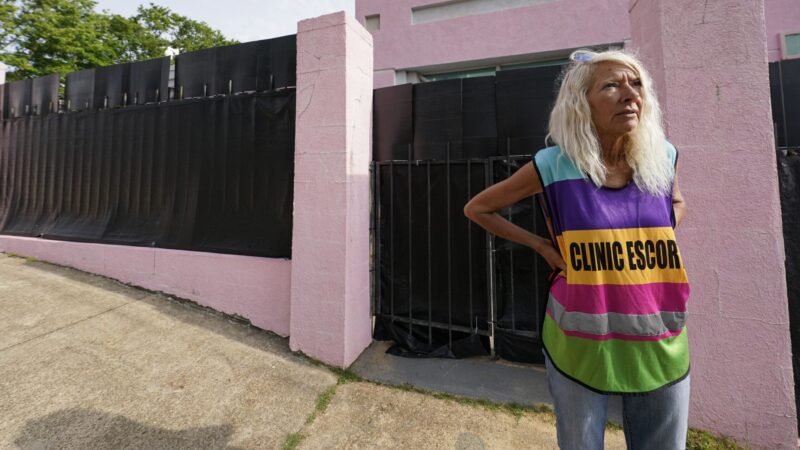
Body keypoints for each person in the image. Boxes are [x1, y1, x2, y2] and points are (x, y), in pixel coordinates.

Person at [464, 49, 690, 450]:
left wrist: (655, 231)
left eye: (636, 84)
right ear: (581, 103)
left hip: (659, 335)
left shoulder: (663, 156)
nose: (629, 94)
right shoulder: (553, 166)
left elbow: (675, 202)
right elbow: (478, 208)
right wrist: (541, 246)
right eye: (611, 85)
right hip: (582, 341)